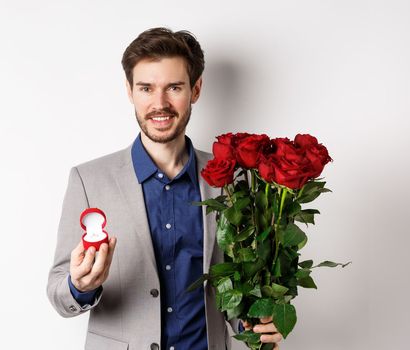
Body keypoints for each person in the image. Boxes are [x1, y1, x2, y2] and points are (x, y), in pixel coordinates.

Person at [46, 27, 282, 350]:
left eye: (174, 87)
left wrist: (254, 322)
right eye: (146, 88)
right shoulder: (88, 180)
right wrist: (79, 285)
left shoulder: (231, 179)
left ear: (195, 89)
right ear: (129, 91)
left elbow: (235, 285)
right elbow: (59, 293)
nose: (160, 104)